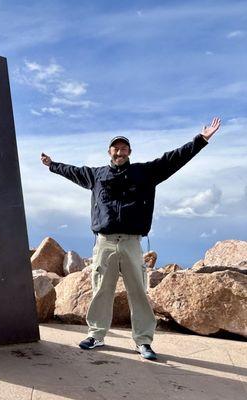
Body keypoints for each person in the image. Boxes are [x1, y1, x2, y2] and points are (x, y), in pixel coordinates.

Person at [40, 117, 221, 360]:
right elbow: (72, 171)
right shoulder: (96, 175)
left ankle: (143, 341)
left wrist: (201, 140)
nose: (120, 152)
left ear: (129, 152)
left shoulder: (145, 172)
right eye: (116, 148)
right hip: (104, 242)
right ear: (109, 151)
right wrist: (52, 165)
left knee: (138, 291)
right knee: (101, 289)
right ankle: (96, 335)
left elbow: (174, 158)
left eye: (124, 148)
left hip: (132, 242)